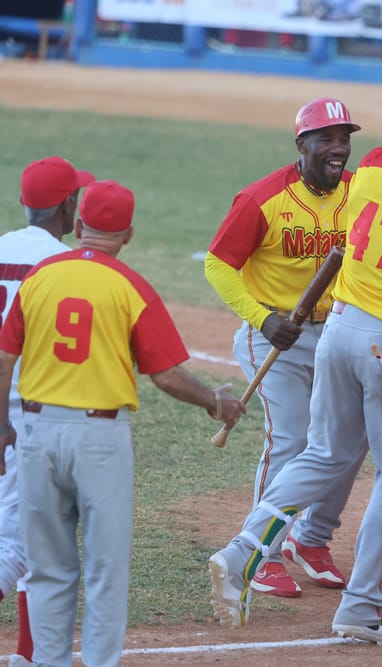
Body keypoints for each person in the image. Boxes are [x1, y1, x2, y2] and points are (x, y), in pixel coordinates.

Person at [208, 115, 382, 646]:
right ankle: (360, 608)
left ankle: (242, 551)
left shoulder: (374, 166)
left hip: (340, 330)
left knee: (321, 455)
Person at [0, 179, 245, 667]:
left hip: (36, 433)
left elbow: (5, 355)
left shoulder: (41, 276)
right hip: (99, 441)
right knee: (105, 569)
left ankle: (45, 662)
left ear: (80, 224)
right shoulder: (131, 286)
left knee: (47, 567)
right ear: (128, 234)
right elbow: (168, 376)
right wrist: (215, 404)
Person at [204, 97, 361, 598]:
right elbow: (218, 265)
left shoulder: (359, 192)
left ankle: (310, 540)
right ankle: (263, 553)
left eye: (345, 138)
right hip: (274, 336)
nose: (339, 149)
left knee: (345, 441)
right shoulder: (261, 199)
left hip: (336, 333)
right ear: (302, 144)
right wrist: (264, 319)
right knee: (291, 440)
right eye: (327, 139)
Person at [0, 156, 94, 666]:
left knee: (32, 542)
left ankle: (31, 656)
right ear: (68, 205)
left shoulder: (1, 247)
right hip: (22, 418)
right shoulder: (63, 264)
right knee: (18, 545)